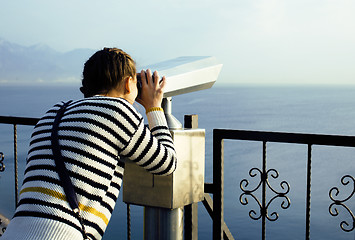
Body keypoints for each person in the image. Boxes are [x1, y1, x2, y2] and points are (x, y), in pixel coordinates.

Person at [1, 48, 177, 240]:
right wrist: (154, 107)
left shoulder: (53, 112)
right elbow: (167, 163)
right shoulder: (118, 110)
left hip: (14, 232)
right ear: (129, 83)